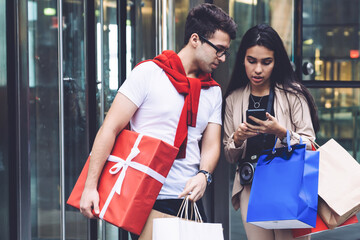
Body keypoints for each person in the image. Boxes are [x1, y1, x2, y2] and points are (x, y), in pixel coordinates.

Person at [79, 3, 237, 239]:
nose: (222, 58)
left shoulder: (212, 91)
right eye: (219, 49)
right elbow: (110, 128)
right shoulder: (149, 73)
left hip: (188, 198)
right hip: (144, 195)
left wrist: (204, 175)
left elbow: (211, 144)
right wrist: (90, 187)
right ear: (195, 39)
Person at [223, 24, 319, 240]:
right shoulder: (233, 99)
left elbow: (311, 144)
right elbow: (230, 155)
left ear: (276, 62)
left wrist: (282, 133)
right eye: (251, 61)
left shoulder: (294, 95)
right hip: (251, 185)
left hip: (288, 183)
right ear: (242, 60)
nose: (258, 69)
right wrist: (237, 139)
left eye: (266, 62)